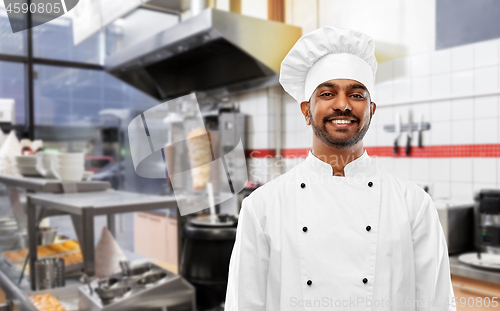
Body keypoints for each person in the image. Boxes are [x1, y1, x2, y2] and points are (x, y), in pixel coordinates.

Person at [225, 26, 456, 311]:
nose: (343, 105)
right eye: (327, 93)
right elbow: (244, 305)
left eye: (356, 95)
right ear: (306, 111)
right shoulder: (262, 208)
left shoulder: (413, 205)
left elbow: (437, 304)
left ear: (371, 110)